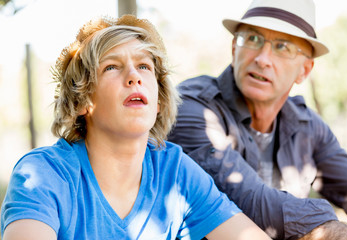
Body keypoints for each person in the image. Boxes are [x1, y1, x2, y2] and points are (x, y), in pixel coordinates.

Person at [0, 15, 271, 240]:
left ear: (159, 102)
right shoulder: (43, 174)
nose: (134, 77)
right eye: (111, 67)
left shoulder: (175, 171)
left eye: (144, 66)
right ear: (82, 99)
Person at [167, 0, 347, 239]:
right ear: (234, 49)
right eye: (252, 39)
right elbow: (251, 201)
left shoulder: (307, 126)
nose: (262, 58)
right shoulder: (192, 108)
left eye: (282, 47)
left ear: (305, 70)